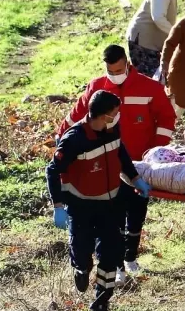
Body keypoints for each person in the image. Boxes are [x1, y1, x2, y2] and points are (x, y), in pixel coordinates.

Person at [58, 45, 176, 283]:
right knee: (114, 217)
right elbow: (76, 117)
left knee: (137, 213)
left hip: (139, 165)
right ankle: (119, 263)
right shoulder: (97, 87)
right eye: (111, 71)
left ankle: (131, 255)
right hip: (107, 167)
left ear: (128, 64)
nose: (115, 74)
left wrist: (152, 152)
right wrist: (61, 142)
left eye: (119, 70)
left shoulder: (150, 88)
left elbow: (166, 119)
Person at [46, 90, 151, 311]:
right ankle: (81, 269)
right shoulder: (74, 139)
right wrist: (58, 205)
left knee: (111, 254)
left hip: (109, 203)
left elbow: (120, 154)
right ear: (103, 115)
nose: (117, 116)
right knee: (83, 252)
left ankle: (101, 304)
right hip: (81, 205)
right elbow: (53, 170)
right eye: (114, 113)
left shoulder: (112, 130)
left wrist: (135, 179)